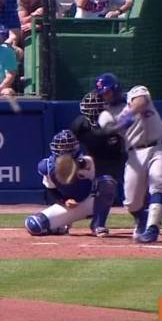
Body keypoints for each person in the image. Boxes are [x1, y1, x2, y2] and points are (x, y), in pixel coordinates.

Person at [97, 74, 162, 243]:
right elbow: (108, 128)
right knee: (131, 202)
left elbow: (142, 102)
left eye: (107, 92)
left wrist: (126, 117)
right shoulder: (106, 115)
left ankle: (153, 229)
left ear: (116, 89)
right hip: (135, 153)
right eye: (102, 94)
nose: (105, 96)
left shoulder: (135, 92)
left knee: (158, 184)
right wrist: (114, 127)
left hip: (159, 146)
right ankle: (142, 218)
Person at [24, 130, 116, 237]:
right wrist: (65, 200)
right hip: (69, 206)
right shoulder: (47, 166)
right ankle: (60, 227)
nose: (64, 151)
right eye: (62, 148)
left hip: (91, 202)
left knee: (107, 182)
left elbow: (97, 181)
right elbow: (51, 189)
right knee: (34, 225)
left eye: (68, 148)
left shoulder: (86, 163)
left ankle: (98, 225)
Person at [69, 88, 127, 236]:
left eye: (97, 107)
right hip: (88, 159)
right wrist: (75, 162)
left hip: (111, 160)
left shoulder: (113, 121)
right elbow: (68, 145)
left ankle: (98, 223)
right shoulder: (80, 124)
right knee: (69, 173)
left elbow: (122, 147)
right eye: (90, 107)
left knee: (108, 185)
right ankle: (65, 218)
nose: (94, 111)